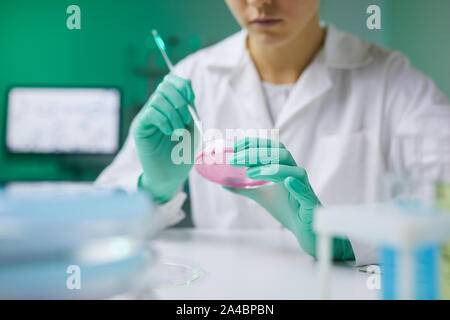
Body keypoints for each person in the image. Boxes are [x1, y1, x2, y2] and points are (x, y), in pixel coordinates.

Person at [95, 0, 450, 265]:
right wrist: (153, 189)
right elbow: (94, 229)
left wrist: (348, 237)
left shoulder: (392, 81)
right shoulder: (193, 77)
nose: (260, 3)